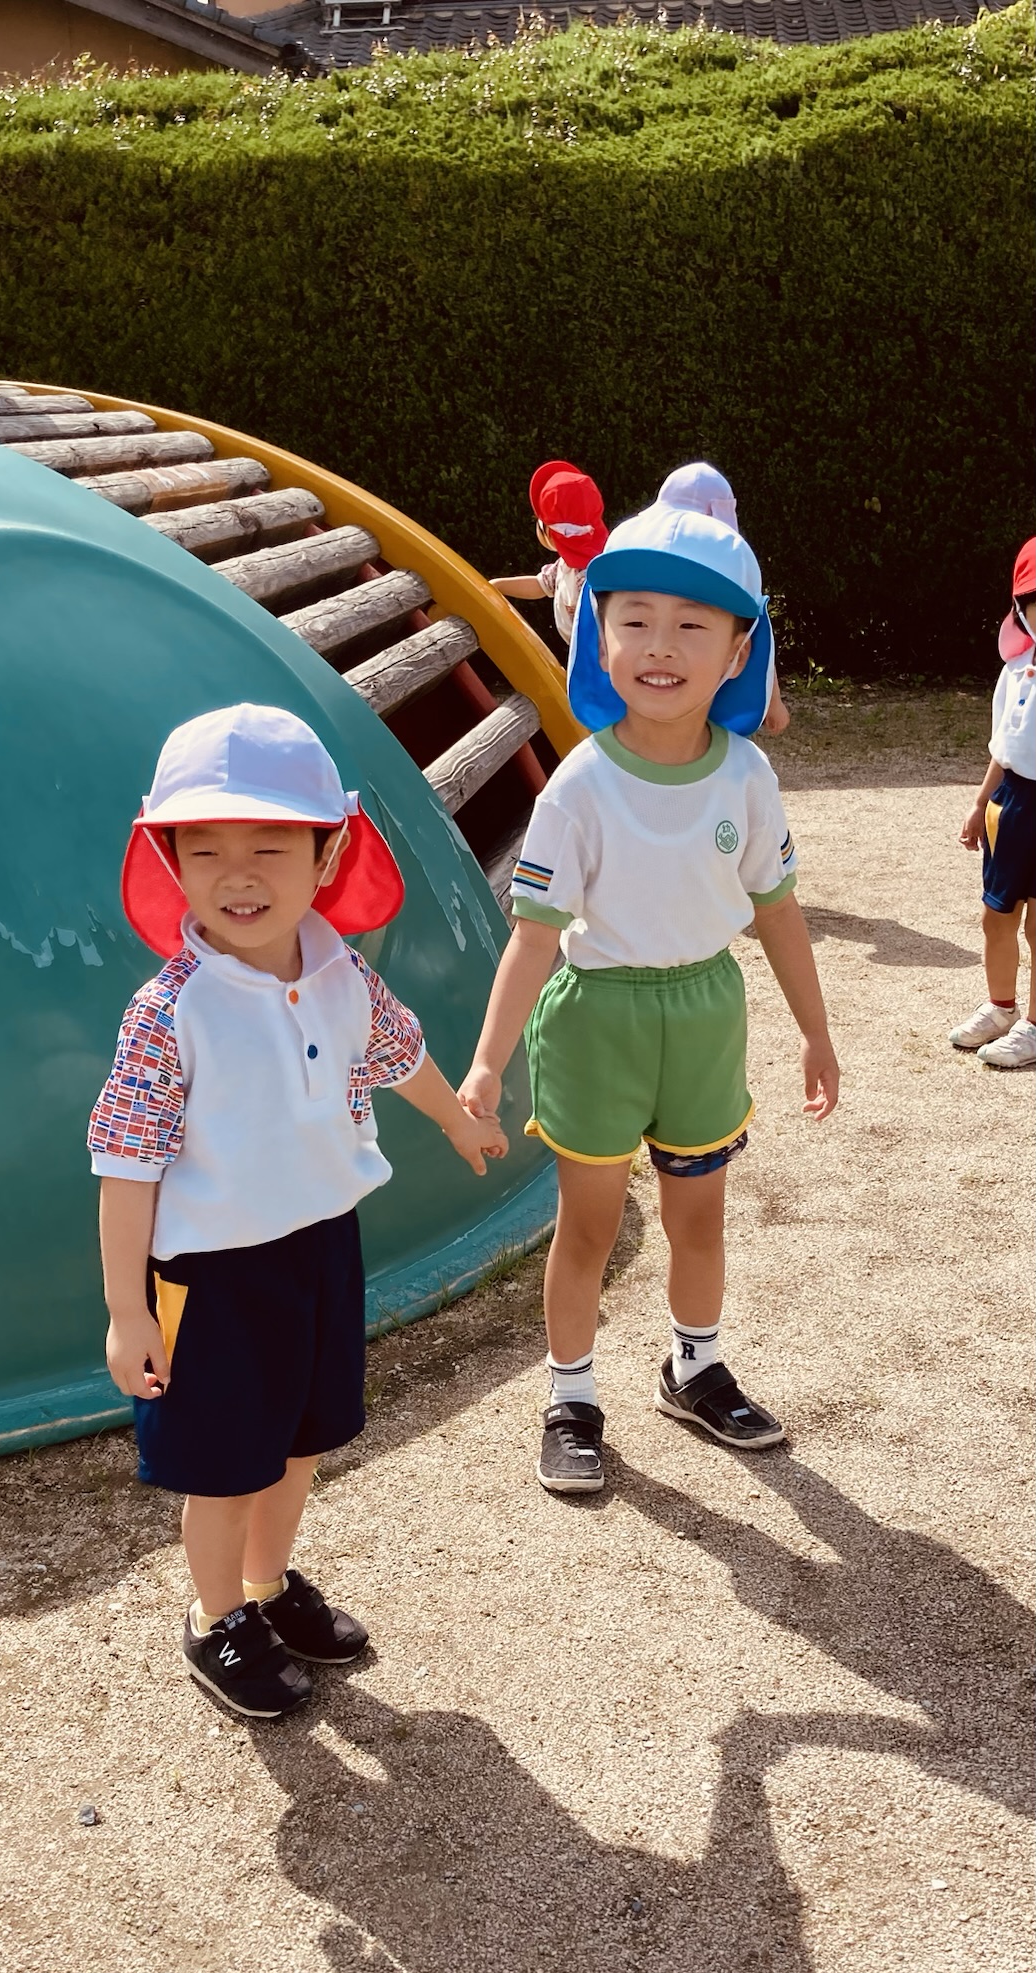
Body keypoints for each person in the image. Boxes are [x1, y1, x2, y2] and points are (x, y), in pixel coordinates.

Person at [89, 704, 506, 1717]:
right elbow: (126, 1162)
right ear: (170, 860)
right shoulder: (168, 1009)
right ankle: (213, 1614)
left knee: (300, 1439)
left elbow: (394, 1045)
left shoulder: (338, 969)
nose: (239, 873)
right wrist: (128, 1309)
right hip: (211, 1273)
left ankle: (269, 1586)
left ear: (327, 857)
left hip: (320, 1241)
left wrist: (457, 1119)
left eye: (272, 845)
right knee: (223, 1463)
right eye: (206, 848)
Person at [460, 506, 839, 1493]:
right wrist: (489, 1060)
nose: (659, 645)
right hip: (597, 1018)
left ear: (736, 651)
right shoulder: (577, 788)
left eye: (692, 624)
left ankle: (695, 1366)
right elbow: (533, 939)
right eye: (634, 617)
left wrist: (815, 1029)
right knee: (585, 1226)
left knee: (698, 1219)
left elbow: (779, 908)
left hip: (706, 1013)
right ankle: (571, 1395)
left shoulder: (747, 776)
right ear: (599, 631)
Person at [949, 537, 1036, 1069]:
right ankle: (1001, 1007)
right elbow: (1003, 747)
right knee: (996, 914)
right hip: (1013, 801)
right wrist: (981, 803)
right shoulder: (1015, 670)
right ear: (1021, 610)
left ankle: (1034, 1027)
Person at [653, 461, 791, 736]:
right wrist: (773, 702)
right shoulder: (735, 564)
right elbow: (759, 634)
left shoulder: (649, 561)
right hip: (721, 703)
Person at [491, 459, 608, 644]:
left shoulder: (590, 579)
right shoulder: (565, 567)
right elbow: (540, 585)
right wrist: (498, 586)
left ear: (552, 535)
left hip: (595, 660)